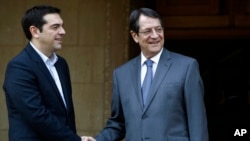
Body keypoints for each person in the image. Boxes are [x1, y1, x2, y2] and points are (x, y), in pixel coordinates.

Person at [94, 8, 209, 141]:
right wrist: (98, 140)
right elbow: (118, 123)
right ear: (135, 36)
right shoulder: (121, 74)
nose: (155, 35)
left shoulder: (187, 67)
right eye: (148, 31)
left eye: (159, 29)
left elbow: (197, 123)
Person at [2, 5, 94, 141]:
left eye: (62, 26)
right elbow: (37, 115)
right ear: (35, 31)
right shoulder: (19, 67)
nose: (63, 31)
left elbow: (65, 115)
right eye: (55, 27)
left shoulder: (61, 64)